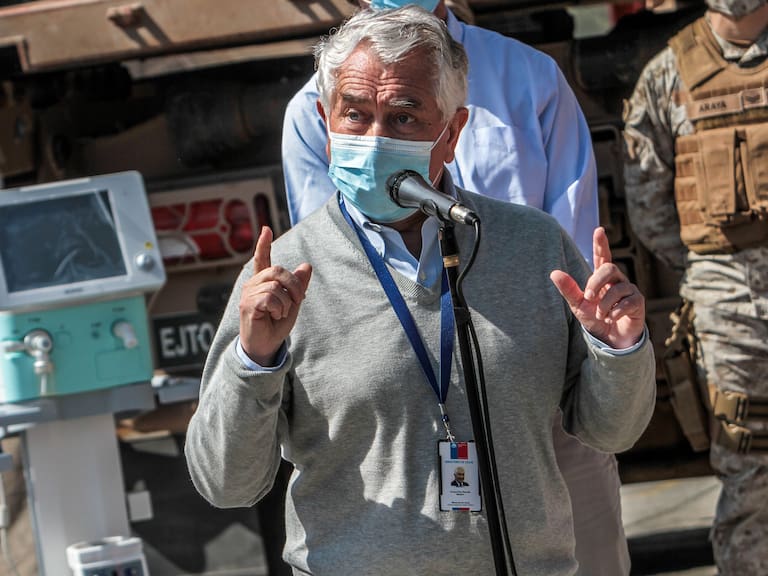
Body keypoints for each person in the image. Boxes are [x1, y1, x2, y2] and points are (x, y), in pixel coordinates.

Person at [186, 6, 656, 574]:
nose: (375, 138)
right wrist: (253, 361)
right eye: (354, 115)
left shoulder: (530, 245)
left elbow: (612, 430)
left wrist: (620, 350)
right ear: (323, 123)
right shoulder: (285, 275)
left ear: (453, 132)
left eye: (405, 118)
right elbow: (225, 483)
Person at [622, 1, 768, 573]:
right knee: (749, 464)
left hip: (721, 290)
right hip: (726, 302)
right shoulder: (667, 73)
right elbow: (647, 198)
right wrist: (713, 273)